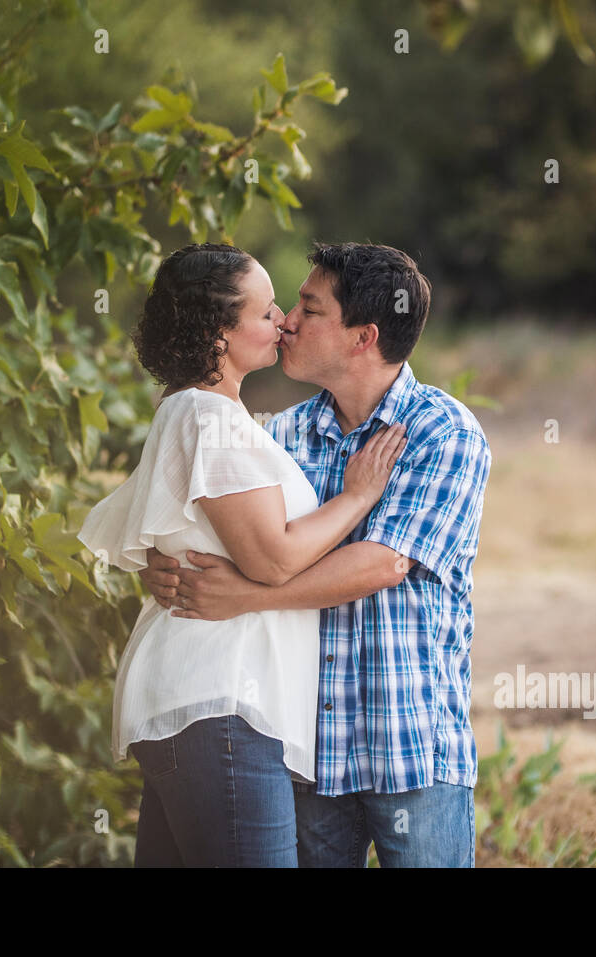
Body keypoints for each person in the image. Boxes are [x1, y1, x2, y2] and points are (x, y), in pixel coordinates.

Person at [140, 242, 492, 867]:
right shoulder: (281, 434)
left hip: (407, 744)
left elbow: (383, 564)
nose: (289, 321)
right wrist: (169, 564)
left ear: (363, 337)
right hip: (310, 752)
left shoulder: (445, 432)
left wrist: (242, 596)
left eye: (309, 307)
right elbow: (222, 529)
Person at [76, 242, 406, 867]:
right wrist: (357, 497)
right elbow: (273, 561)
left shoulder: (206, 415)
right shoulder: (211, 418)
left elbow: (135, 525)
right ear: (217, 334)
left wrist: (165, 561)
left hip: (201, 707)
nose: (283, 321)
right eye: (265, 313)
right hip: (222, 708)